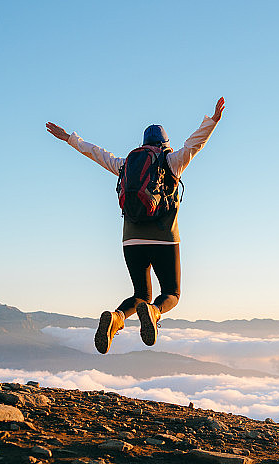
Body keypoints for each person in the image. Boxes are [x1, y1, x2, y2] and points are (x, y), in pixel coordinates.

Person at [46, 97, 224, 354]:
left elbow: (96, 153)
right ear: (165, 144)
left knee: (140, 293)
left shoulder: (125, 165)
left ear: (143, 144)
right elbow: (194, 144)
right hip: (164, 238)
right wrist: (213, 121)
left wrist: (68, 138)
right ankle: (154, 312)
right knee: (171, 293)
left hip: (131, 240)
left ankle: (117, 318)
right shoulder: (172, 162)